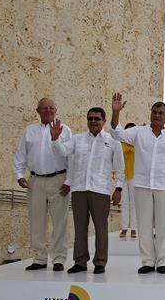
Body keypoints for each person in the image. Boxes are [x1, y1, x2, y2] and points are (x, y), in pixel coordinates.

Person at [110, 93, 165, 274]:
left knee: (163, 226)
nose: (157, 115)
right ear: (150, 114)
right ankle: (148, 262)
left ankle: (162, 261)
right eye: (154, 112)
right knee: (143, 225)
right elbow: (117, 133)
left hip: (164, 187)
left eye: (160, 113)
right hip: (142, 185)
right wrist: (116, 112)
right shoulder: (138, 133)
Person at [50, 107, 124, 274]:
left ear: (104, 121)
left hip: (100, 190)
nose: (93, 121)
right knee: (80, 227)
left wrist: (118, 189)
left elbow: (120, 168)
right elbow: (62, 151)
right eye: (90, 118)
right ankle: (80, 261)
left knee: (101, 228)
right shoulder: (77, 140)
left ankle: (100, 262)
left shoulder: (112, 142)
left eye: (97, 119)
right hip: (79, 189)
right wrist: (55, 139)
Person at [13, 97, 72, 271]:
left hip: (59, 180)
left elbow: (71, 157)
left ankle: (59, 258)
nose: (47, 111)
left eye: (51, 108)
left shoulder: (65, 130)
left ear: (56, 110)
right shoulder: (30, 131)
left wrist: (69, 181)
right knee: (36, 220)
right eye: (43, 108)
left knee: (59, 221)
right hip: (36, 181)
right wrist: (19, 175)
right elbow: (20, 155)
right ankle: (39, 258)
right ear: (37, 111)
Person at [119, 123, 138, 238]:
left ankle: (134, 228)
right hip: (122, 176)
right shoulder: (120, 143)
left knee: (134, 204)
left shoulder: (138, 144)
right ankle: (124, 227)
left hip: (135, 176)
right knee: (124, 203)